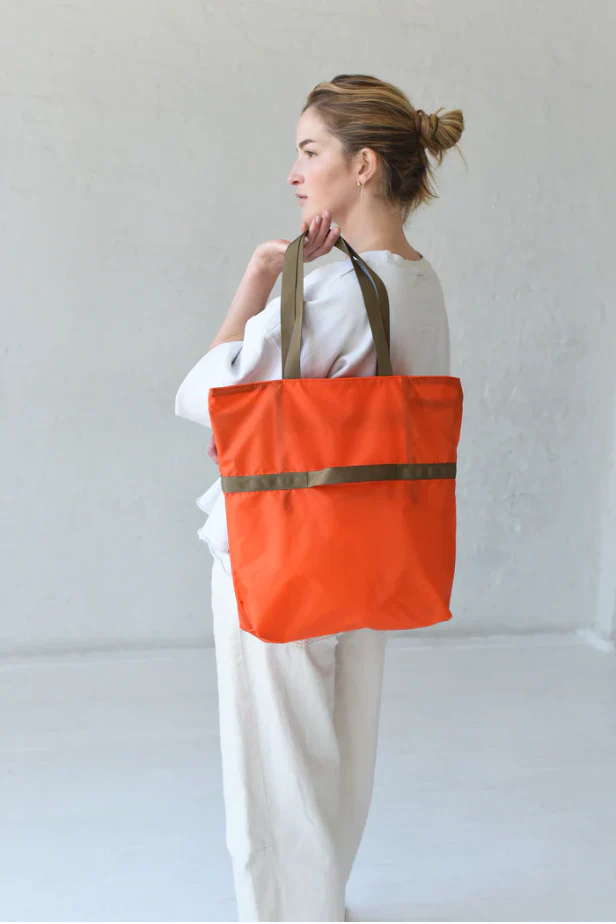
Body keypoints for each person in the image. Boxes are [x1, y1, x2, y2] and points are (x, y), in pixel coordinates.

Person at [175, 74, 465, 922]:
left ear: (364, 165)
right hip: (368, 546)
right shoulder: (419, 282)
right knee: (339, 747)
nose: (296, 172)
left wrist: (258, 284)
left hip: (279, 550)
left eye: (310, 152)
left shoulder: (331, 289)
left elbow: (201, 394)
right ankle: (323, 906)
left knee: (276, 764)